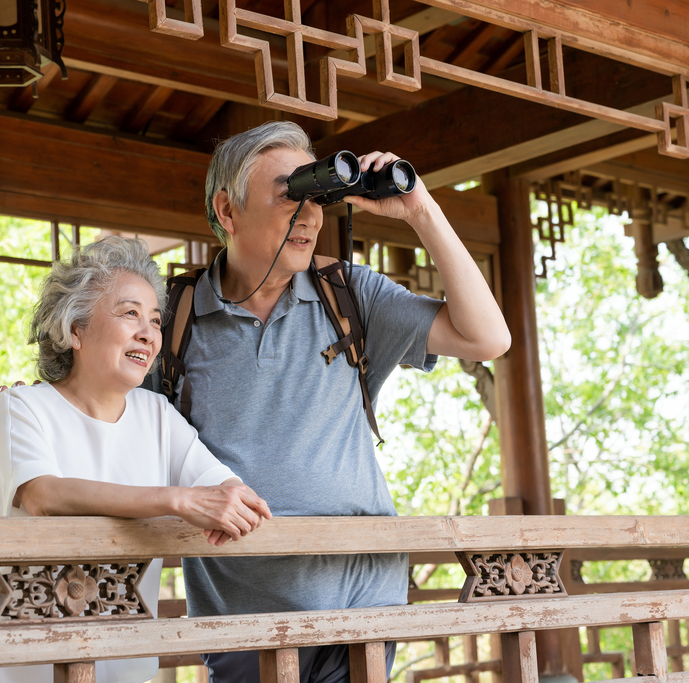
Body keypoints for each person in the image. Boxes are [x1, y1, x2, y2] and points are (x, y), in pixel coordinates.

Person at [145, 121, 511, 683]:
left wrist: (419, 208)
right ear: (228, 209)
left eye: (318, 196)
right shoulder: (170, 321)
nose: (311, 214)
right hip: (243, 624)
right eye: (292, 193)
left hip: (364, 610)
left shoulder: (351, 296)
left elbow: (489, 337)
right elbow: (112, 437)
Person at [0, 236, 272, 683]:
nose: (148, 331)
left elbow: (226, 491)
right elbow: (43, 496)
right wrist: (177, 500)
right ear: (75, 329)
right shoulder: (21, 407)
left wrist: (224, 502)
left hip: (103, 656)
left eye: (155, 320)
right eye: (129, 313)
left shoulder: (159, 416)